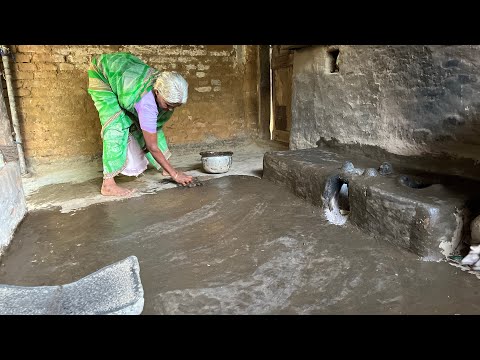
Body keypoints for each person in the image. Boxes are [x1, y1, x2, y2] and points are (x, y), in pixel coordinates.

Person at [87, 52, 193, 196]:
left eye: (175, 106)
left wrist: (170, 170)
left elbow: (152, 127)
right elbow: (152, 146)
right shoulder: (147, 104)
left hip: (125, 68)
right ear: (156, 92)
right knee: (116, 125)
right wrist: (175, 174)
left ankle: (164, 168)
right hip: (104, 74)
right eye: (168, 104)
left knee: (151, 125)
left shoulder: (165, 82)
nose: (170, 109)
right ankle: (108, 184)